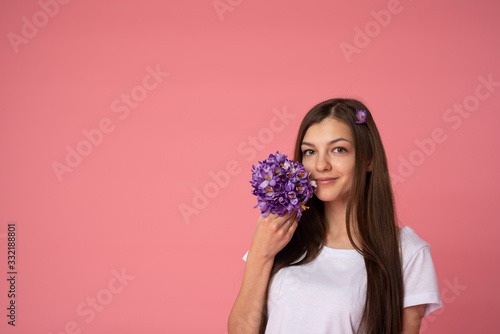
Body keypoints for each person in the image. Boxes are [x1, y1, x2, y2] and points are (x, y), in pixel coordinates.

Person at [228, 98, 442, 334]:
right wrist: (260, 254)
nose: (320, 165)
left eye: (338, 150)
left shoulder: (406, 252)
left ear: (368, 159)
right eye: (310, 151)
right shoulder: (279, 234)